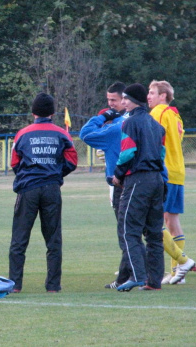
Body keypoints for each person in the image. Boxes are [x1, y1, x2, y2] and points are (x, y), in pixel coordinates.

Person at [9, 93, 78, 293]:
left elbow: (14, 163)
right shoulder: (62, 134)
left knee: (19, 239)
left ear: (33, 113)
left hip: (28, 189)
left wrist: (27, 175)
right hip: (51, 189)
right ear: (53, 113)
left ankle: (15, 284)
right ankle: (53, 286)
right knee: (53, 239)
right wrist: (56, 173)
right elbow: (72, 161)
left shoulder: (22, 134)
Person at [111, 83, 166, 291]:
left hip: (139, 180)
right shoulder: (156, 125)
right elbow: (161, 155)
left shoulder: (130, 123)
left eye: (125, 98)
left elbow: (127, 152)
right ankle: (154, 281)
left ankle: (138, 276)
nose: (123, 102)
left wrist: (117, 175)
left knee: (128, 229)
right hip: (157, 180)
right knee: (154, 233)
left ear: (134, 101)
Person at [79, 82, 132, 289]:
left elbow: (86, 134)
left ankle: (130, 274)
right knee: (147, 231)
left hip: (122, 182)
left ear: (124, 100)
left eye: (114, 101)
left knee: (127, 231)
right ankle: (145, 273)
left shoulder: (117, 125)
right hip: (145, 180)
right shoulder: (138, 120)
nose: (110, 105)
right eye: (108, 100)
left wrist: (103, 118)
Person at [147, 80, 196, 284]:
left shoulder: (158, 112)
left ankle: (181, 263)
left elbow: (151, 139)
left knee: (155, 221)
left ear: (163, 96)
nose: (148, 96)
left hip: (164, 172)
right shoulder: (176, 116)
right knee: (172, 221)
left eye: (152, 92)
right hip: (178, 171)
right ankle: (178, 272)